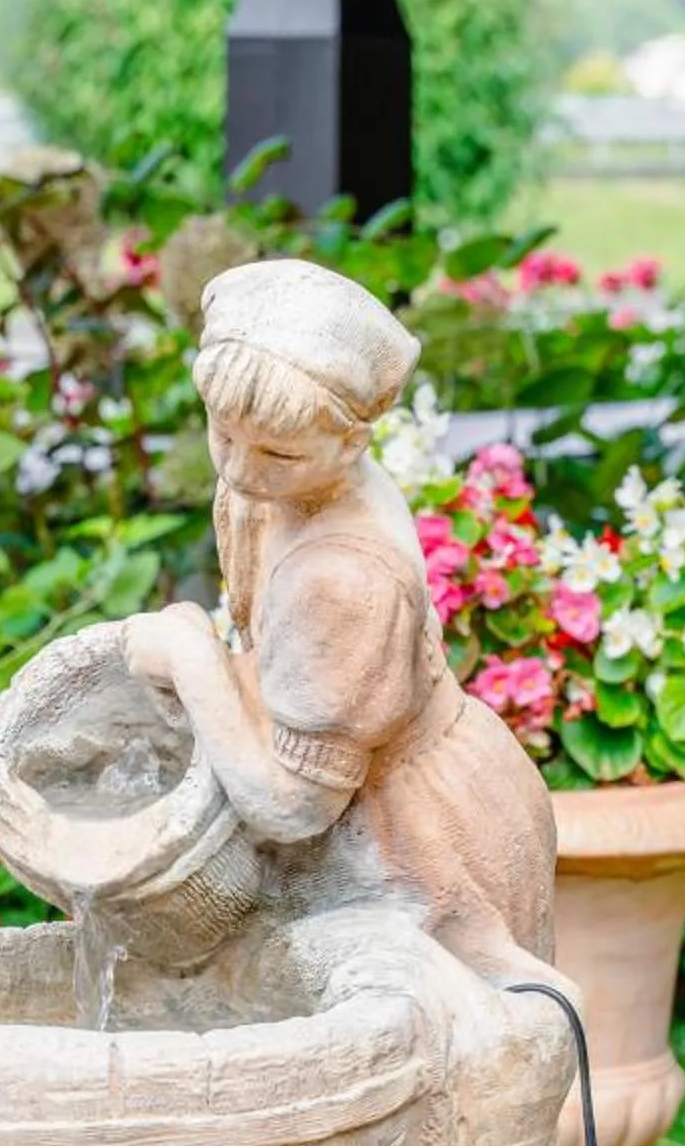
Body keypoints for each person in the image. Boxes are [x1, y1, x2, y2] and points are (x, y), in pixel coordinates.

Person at [118, 260, 558, 985]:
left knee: (447, 1055)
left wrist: (192, 658)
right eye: (222, 436)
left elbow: (294, 806)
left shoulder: (343, 579)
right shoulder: (269, 490)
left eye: (278, 454)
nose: (240, 470)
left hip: (414, 838)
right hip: (360, 800)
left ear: (352, 444)